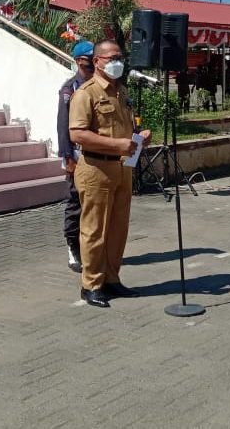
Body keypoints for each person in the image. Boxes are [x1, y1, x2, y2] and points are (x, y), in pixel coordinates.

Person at [68, 40, 152, 308]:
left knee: (118, 229)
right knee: (94, 230)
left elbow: (123, 130)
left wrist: (139, 139)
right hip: (96, 169)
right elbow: (78, 134)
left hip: (122, 167)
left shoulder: (121, 91)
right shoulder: (86, 93)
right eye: (112, 58)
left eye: (120, 57)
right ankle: (91, 284)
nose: (118, 62)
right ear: (97, 62)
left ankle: (111, 279)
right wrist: (118, 145)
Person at [57, 40, 95, 273]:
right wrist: (67, 156)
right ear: (79, 60)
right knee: (75, 204)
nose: (92, 63)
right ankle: (73, 246)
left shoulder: (101, 86)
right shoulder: (70, 89)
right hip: (77, 155)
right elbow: (63, 126)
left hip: (98, 157)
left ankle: (92, 248)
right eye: (89, 59)